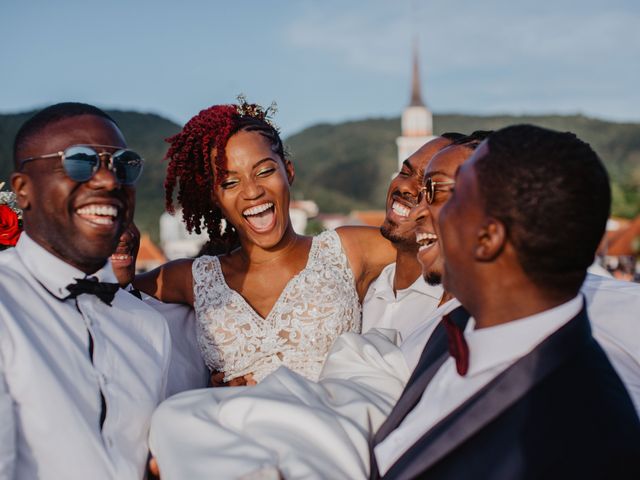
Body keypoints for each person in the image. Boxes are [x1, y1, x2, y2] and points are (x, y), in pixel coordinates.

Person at [372, 125, 640, 479]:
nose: (422, 212)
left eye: (444, 195)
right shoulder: (452, 328)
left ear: (488, 238)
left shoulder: (583, 442)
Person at [135, 99, 396, 384]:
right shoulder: (194, 278)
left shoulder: (349, 248)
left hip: (332, 420)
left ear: (289, 171)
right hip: (234, 424)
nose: (252, 191)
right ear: (215, 197)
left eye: (264, 171)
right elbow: (106, 291)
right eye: (230, 183)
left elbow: (438, 247)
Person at [0, 102, 171, 479]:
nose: (109, 181)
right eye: (81, 161)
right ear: (23, 190)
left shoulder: (149, 327)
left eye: (123, 165)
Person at [362, 135, 453, 343]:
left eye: (429, 186)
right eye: (405, 172)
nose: (405, 187)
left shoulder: (449, 307)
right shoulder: (361, 286)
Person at [113, 222, 209, 396]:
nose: (125, 236)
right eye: (105, 220)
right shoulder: (55, 328)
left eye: (128, 218)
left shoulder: (185, 316)